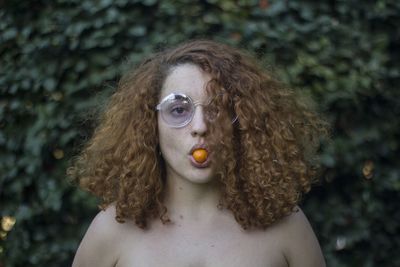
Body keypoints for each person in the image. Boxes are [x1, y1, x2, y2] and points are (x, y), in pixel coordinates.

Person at [68, 40, 328, 267]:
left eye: (217, 109)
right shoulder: (110, 232)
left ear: (243, 122)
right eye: (179, 110)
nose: (201, 127)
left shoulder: (288, 228)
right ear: (150, 124)